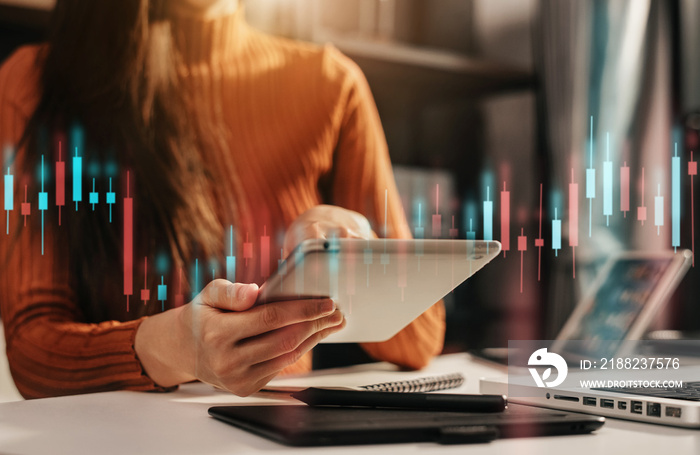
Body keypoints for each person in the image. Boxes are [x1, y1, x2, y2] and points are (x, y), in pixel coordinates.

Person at [0, 0, 445, 399]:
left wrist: (359, 256)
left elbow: (421, 339)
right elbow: (32, 355)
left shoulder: (332, 84)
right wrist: (174, 347)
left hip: (278, 440)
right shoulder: (36, 81)